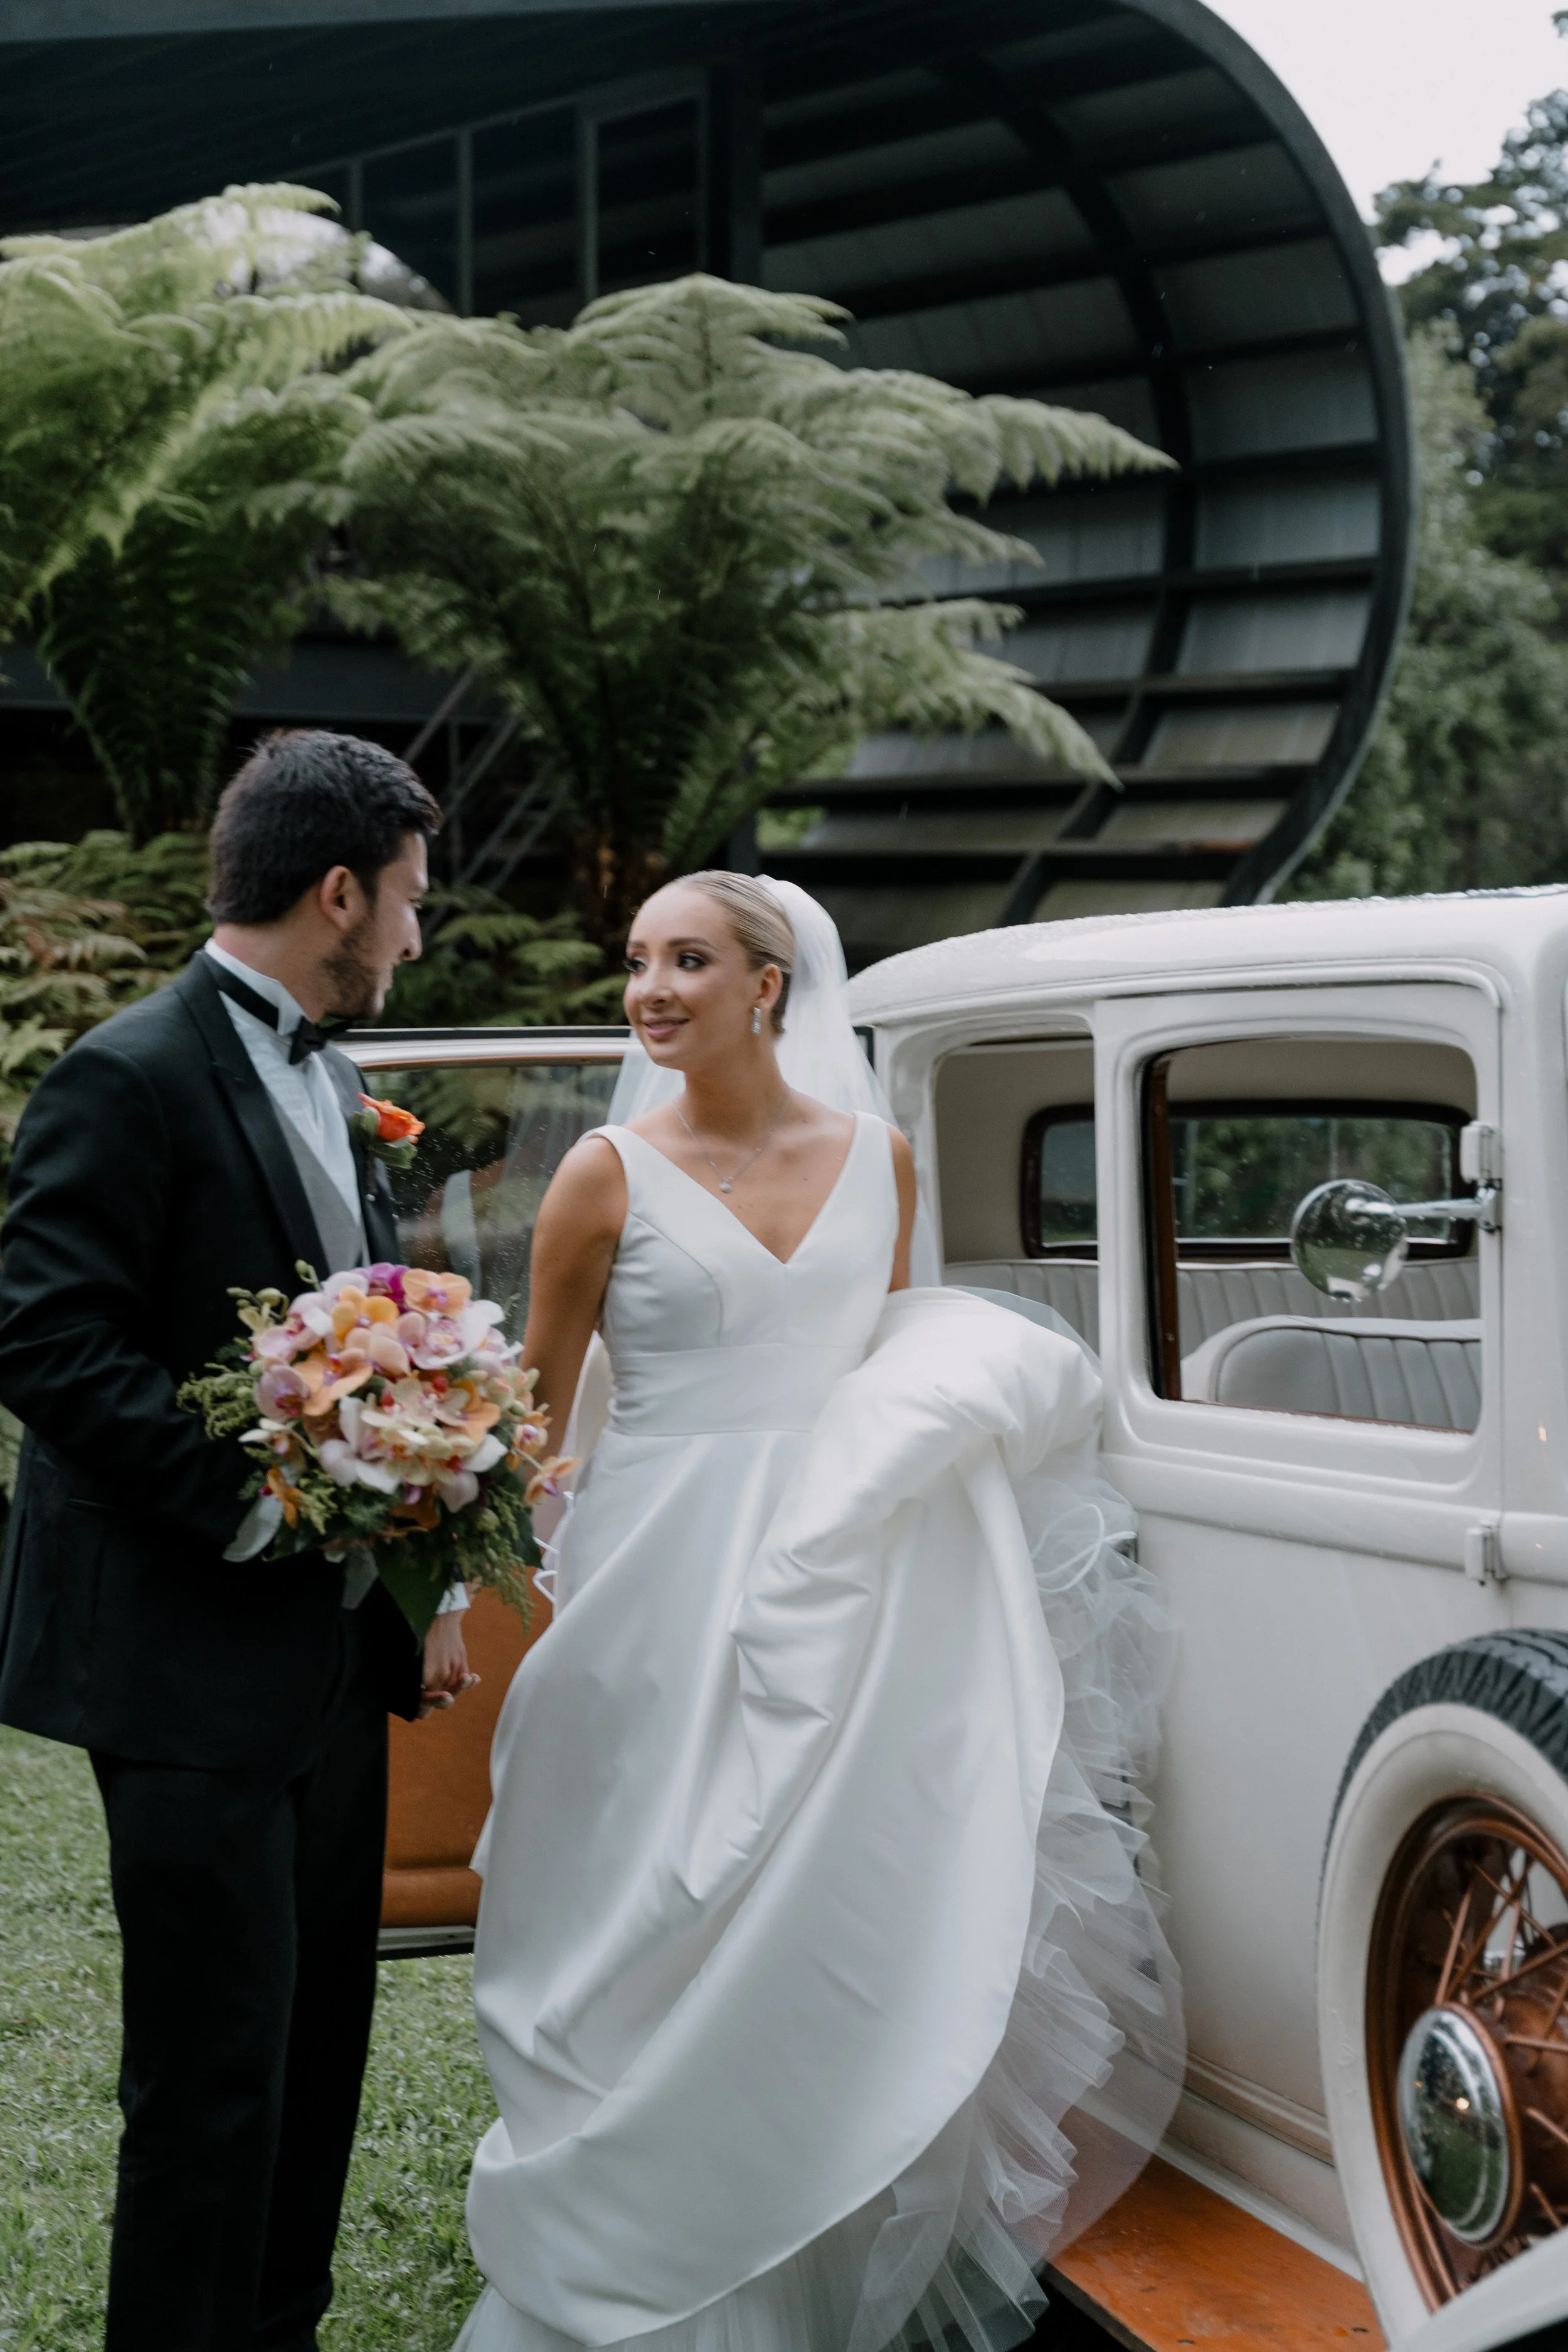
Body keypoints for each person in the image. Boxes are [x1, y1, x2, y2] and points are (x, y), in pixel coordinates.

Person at [455, 872, 1182, 2352]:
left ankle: (810, 2221)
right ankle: (634, 2237)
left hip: (847, 1576)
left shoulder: (882, 1160)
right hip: (656, 1576)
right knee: (653, 1887)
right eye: (639, 963)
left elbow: (894, 1365)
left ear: (769, 985)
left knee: (838, 1896)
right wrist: (458, 1569)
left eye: (689, 960)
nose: (650, 990)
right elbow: (529, 1415)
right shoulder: (600, 1174)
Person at [0, 729, 477, 2352]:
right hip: (181, 1657)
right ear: (335, 890)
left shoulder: (340, 1084)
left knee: (317, 2049)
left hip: (330, 1664)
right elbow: (46, 1337)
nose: (414, 938)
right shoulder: (126, 1071)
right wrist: (256, 1494)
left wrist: (408, 1559)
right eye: (406, 901)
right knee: (208, 2073)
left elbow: (363, 1333)